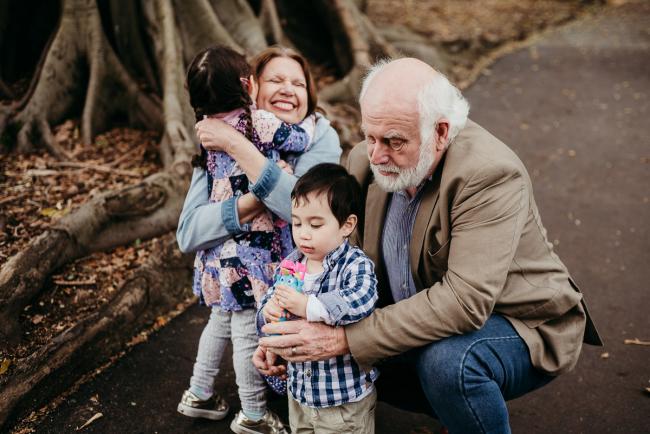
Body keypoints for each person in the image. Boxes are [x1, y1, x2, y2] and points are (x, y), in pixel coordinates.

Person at [253, 58, 602, 434]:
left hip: (517, 322)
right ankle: (450, 407)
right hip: (421, 312)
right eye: (369, 136)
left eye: (394, 141)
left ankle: (465, 406)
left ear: (440, 132)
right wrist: (285, 333)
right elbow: (333, 262)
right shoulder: (364, 161)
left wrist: (342, 340)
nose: (376, 155)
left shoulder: (489, 173)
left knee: (449, 365)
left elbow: (465, 302)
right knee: (297, 366)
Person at [176, 46, 341, 434]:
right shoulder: (245, 129)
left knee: (228, 323)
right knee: (245, 328)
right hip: (253, 268)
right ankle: (251, 412)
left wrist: (237, 148)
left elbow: (300, 211)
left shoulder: (320, 138)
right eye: (276, 80)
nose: (288, 89)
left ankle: (201, 392)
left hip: (297, 295)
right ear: (252, 88)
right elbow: (189, 233)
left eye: (298, 83)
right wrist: (257, 196)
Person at [257, 163, 379, 434]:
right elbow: (268, 298)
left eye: (315, 224)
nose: (303, 233)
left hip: (342, 400)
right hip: (300, 393)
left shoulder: (354, 264)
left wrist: (309, 305)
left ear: (347, 224)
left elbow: (361, 299)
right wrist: (268, 312)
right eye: (297, 222)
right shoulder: (292, 263)